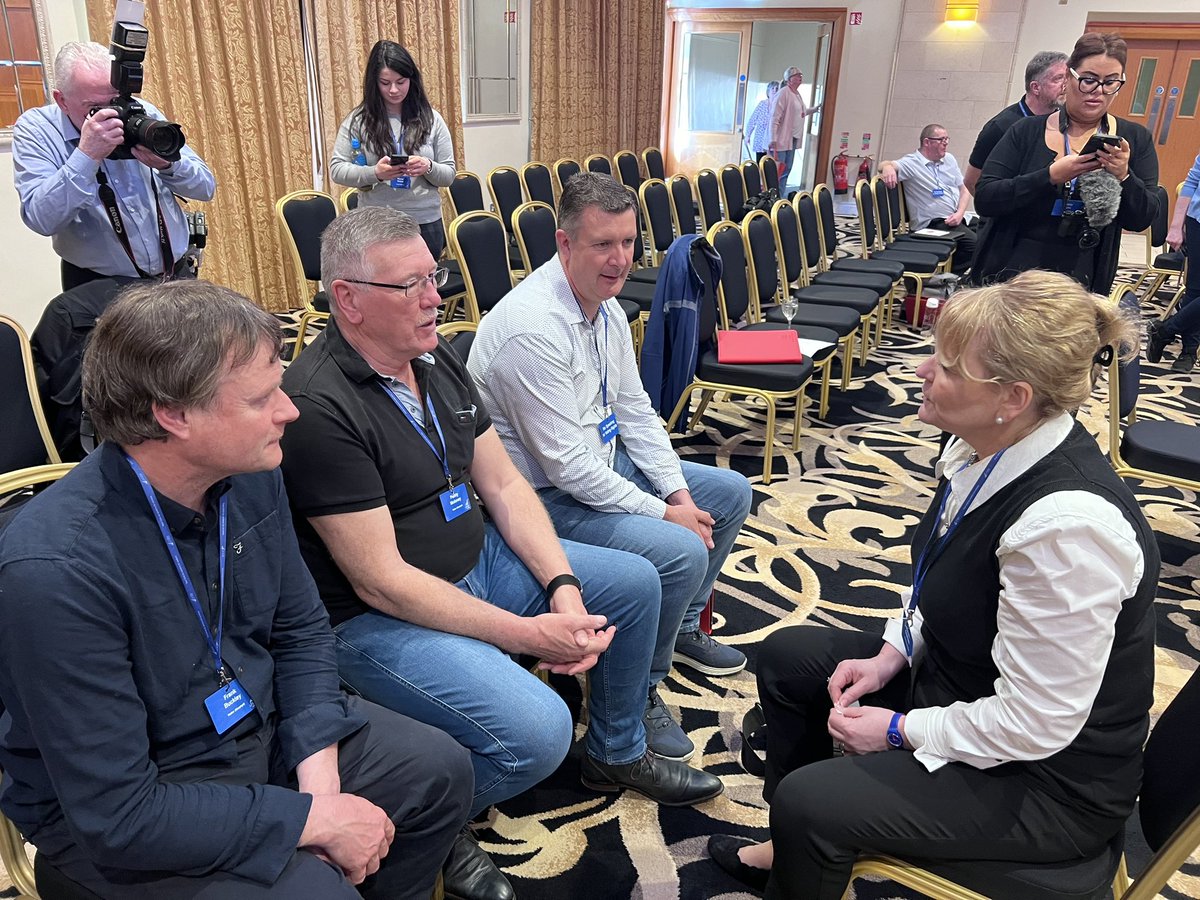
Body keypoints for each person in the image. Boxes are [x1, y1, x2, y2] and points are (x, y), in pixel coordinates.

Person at [278, 206, 724, 887]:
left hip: (477, 558)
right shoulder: (319, 404)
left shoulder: (432, 359)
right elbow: (381, 581)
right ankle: (430, 821)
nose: (438, 298)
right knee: (539, 732)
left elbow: (508, 489)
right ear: (349, 300)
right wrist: (528, 632)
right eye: (412, 287)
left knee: (634, 584)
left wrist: (563, 588)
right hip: (378, 618)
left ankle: (617, 749)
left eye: (438, 277)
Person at [0, 281, 472, 899]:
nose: (289, 411)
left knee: (437, 771)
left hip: (254, 732)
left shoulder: (248, 474)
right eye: (262, 398)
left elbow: (300, 630)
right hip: (142, 806)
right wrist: (309, 822)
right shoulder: (55, 571)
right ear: (173, 415)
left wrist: (320, 789)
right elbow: (118, 815)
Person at [706, 270, 1159, 899]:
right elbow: (940, 580)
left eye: (947, 366)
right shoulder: (987, 447)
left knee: (811, 802)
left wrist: (898, 732)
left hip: (1044, 782)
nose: (922, 370)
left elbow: (1036, 724)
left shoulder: (1068, 528)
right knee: (789, 660)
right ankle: (797, 851)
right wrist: (893, 651)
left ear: (1013, 397)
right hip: (971, 681)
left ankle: (806, 836)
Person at [467, 173, 753, 764]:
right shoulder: (531, 328)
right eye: (603, 244)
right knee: (680, 549)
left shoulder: (605, 309)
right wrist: (665, 513)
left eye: (628, 243)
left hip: (597, 463)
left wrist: (676, 490)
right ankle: (641, 687)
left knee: (728, 493)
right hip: (539, 497)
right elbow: (567, 467)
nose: (619, 259)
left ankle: (678, 631)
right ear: (564, 244)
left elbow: (635, 411)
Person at [13, 41, 215, 291]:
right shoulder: (37, 129)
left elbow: (206, 188)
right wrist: (86, 156)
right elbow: (42, 219)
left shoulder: (142, 113)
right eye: (95, 108)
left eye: (116, 100)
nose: (114, 114)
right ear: (62, 101)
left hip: (174, 275)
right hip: (99, 287)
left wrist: (168, 166)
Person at [973, 32, 1159, 294]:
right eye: (1088, 80)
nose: (1098, 91)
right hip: (1013, 269)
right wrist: (1048, 176)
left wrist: (1124, 177)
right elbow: (985, 199)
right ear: (1068, 79)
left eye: (1111, 83)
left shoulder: (1134, 139)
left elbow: (1141, 219)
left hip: (1084, 273)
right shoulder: (1025, 130)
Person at [330, 40, 456, 259]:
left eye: (401, 81)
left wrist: (428, 166)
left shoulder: (431, 119)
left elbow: (449, 175)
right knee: (384, 291)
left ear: (412, 79)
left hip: (424, 222)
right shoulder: (359, 121)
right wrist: (375, 173)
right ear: (374, 82)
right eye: (385, 83)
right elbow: (337, 169)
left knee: (423, 289)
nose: (394, 90)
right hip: (376, 224)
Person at [964, 50, 1069, 194]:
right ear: (1036, 87)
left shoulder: (1062, 121)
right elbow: (972, 180)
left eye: (1068, 79)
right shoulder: (1000, 126)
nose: (1066, 86)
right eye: (1058, 79)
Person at [879, 124, 976, 274]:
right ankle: (944, 278)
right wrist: (887, 168)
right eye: (941, 140)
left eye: (946, 139)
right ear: (927, 142)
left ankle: (950, 273)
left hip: (956, 217)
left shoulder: (949, 159)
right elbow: (885, 164)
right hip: (932, 223)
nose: (945, 143)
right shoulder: (912, 162)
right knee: (974, 244)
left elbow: (964, 188)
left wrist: (960, 213)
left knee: (989, 230)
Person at [1146, 149, 1200, 373]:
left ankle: (1167, 331)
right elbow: (1192, 182)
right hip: (1198, 223)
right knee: (1196, 288)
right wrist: (1177, 226)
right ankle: (1188, 350)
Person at [769, 66, 822, 183]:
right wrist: (772, 138)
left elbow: (801, 112)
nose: (800, 77)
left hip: (793, 138)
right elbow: (774, 117)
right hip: (781, 139)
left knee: (787, 169)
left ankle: (781, 196)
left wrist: (815, 109)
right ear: (789, 79)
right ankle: (774, 196)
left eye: (801, 75)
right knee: (778, 170)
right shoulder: (783, 93)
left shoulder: (797, 94)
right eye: (797, 75)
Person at [746, 81, 780, 162]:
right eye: (772, 88)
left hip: (772, 141)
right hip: (760, 140)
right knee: (760, 164)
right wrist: (748, 135)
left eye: (777, 88)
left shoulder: (780, 106)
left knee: (771, 166)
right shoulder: (762, 104)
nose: (775, 90)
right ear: (768, 91)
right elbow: (753, 120)